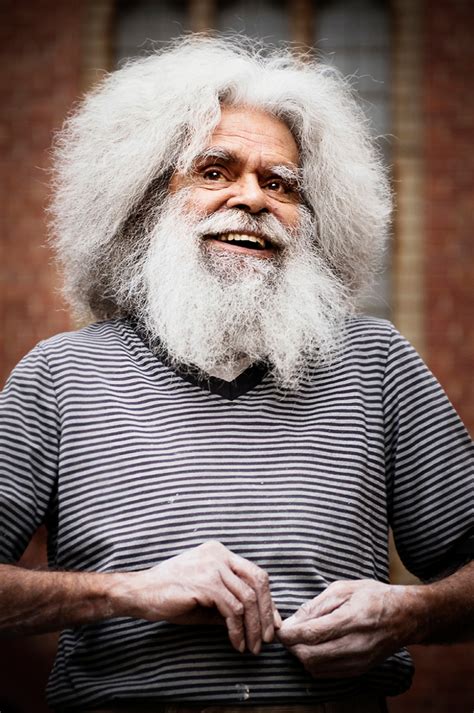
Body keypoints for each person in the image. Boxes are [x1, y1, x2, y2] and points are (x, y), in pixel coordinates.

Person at [0, 35, 472, 713]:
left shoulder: (378, 365)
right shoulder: (61, 375)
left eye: (280, 183)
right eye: (215, 171)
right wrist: (125, 591)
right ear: (145, 200)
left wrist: (411, 612)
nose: (253, 198)